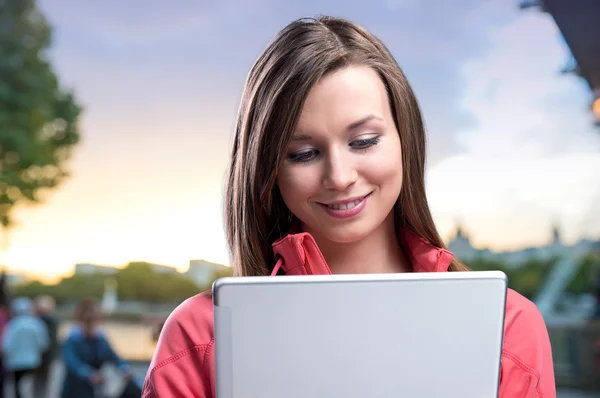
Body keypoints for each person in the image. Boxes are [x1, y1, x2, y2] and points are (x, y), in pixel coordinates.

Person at [142, 16, 555, 398]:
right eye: (303, 153)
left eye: (363, 141)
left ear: (405, 140)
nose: (339, 176)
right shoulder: (199, 339)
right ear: (266, 169)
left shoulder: (509, 330)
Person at [60, 298, 133, 398]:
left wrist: (124, 368)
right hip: (75, 387)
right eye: (89, 320)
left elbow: (112, 355)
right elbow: (72, 362)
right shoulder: (72, 339)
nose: (93, 324)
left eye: (96, 319)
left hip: (94, 387)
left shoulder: (100, 337)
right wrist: (89, 374)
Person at [2, 297, 49, 398]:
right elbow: (43, 344)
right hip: (33, 361)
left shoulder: (13, 324)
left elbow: (7, 345)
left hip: (16, 363)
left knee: (18, 388)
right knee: (30, 387)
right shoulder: (36, 323)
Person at [32, 295, 60, 398]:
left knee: (41, 381)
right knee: (40, 381)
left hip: (44, 355)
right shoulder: (50, 321)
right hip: (43, 355)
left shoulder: (42, 321)